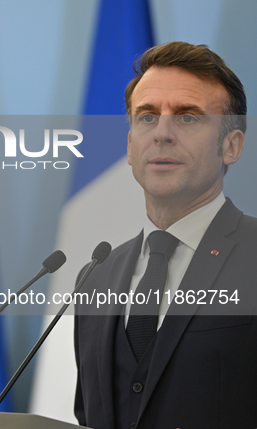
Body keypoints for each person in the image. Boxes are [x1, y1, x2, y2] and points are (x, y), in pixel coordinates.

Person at [74, 41, 257, 429]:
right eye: (146, 117)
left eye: (188, 117)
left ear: (231, 146)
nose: (162, 134)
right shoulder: (94, 278)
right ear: (129, 145)